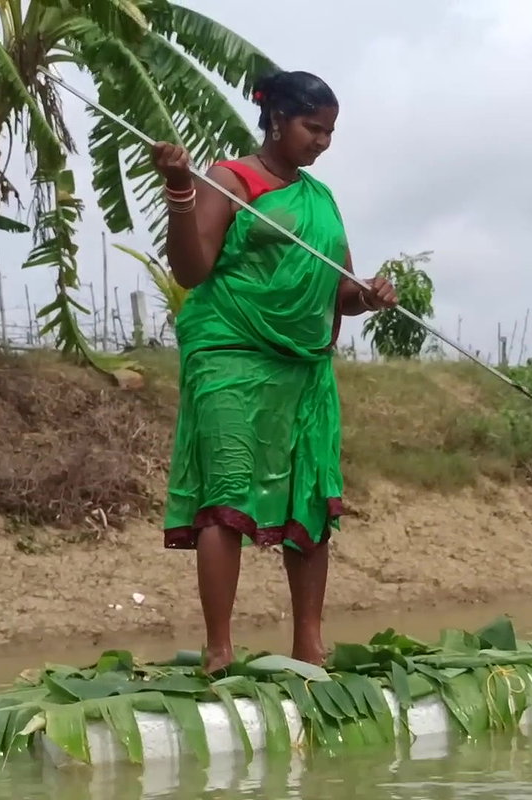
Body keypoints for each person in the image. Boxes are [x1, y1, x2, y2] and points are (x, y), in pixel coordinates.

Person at [149, 70, 398, 675]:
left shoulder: (321, 199)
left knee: (309, 497)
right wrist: (180, 188)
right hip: (231, 354)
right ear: (278, 120)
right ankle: (219, 651)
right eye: (314, 128)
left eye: (330, 132)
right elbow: (191, 269)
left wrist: (367, 296)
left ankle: (309, 645)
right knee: (226, 493)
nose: (323, 142)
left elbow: (337, 289)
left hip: (303, 366)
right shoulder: (230, 180)